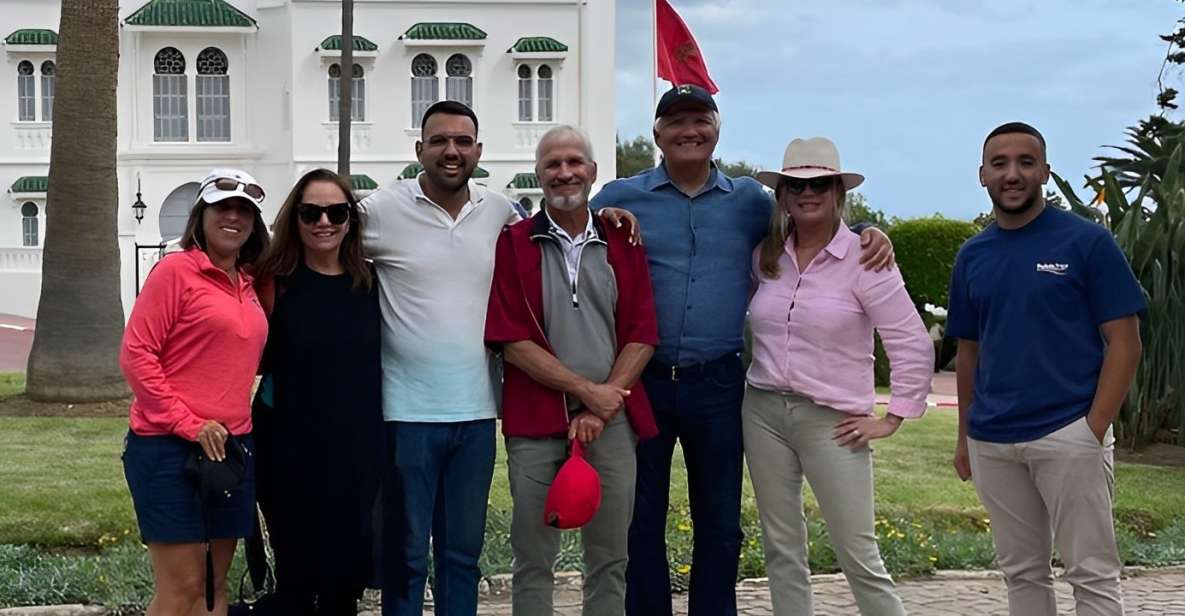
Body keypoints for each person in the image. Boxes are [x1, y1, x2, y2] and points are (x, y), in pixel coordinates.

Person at [589, 85, 895, 616]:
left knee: (721, 521)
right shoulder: (621, 198)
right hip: (645, 380)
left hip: (720, 384)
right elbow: (569, 236)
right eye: (676, 121)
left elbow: (813, 223)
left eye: (701, 119)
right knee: (640, 517)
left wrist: (868, 229)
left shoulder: (751, 201)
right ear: (658, 133)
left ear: (717, 129)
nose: (690, 130)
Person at [359, 101, 637, 615]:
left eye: (462, 142)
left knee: (462, 558)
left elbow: (559, 224)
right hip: (405, 412)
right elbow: (320, 240)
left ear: (478, 152)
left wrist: (608, 215)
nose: (451, 151)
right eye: (439, 141)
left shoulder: (502, 215)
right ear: (419, 150)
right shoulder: (380, 211)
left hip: (478, 412)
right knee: (407, 556)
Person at [947, 122, 1146, 616]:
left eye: (1025, 163)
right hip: (993, 440)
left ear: (1045, 172)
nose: (1012, 174)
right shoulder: (973, 255)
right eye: (1000, 164)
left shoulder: (1086, 243)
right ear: (982, 176)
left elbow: (1125, 342)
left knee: (1092, 575)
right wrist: (964, 436)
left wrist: (1092, 429)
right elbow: (968, 352)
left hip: (1069, 431)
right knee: (1022, 574)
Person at [744, 137, 933, 615]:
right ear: (782, 195)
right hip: (763, 412)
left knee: (858, 552)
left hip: (833, 421)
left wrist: (893, 418)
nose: (808, 194)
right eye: (796, 185)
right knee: (781, 546)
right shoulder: (766, 258)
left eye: (820, 184)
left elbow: (910, 340)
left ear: (838, 193)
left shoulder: (867, 259)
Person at [485, 125, 658, 616]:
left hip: (614, 423)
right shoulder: (514, 243)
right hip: (536, 422)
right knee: (533, 556)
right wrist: (587, 392)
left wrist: (603, 405)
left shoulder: (623, 238)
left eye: (574, 162)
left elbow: (642, 333)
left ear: (593, 171)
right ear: (538, 176)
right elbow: (511, 341)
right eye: (552, 165)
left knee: (610, 556)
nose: (565, 173)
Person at [120, 169, 270, 616]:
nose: (233, 216)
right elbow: (137, 354)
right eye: (223, 207)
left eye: (244, 210)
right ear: (201, 214)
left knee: (214, 588)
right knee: (182, 589)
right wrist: (189, 423)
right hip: (167, 448)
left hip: (232, 447)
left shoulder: (248, 283)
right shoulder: (176, 272)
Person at [250, 169, 383, 615]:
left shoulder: (372, 282)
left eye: (336, 211)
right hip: (287, 451)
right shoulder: (272, 281)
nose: (323, 221)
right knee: (297, 579)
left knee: (344, 582)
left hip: (357, 453)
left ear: (350, 219)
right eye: (311, 212)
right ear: (296, 218)